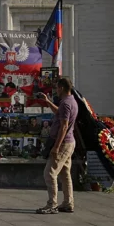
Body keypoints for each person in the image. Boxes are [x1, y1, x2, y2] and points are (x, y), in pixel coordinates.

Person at [37, 78, 78, 214]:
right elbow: (58, 113)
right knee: (65, 173)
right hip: (69, 142)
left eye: (57, 88)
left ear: (61, 88)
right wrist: (48, 101)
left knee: (49, 173)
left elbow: (64, 126)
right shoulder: (70, 101)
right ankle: (68, 203)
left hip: (63, 142)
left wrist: (56, 146)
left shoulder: (66, 103)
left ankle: (52, 204)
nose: (56, 90)